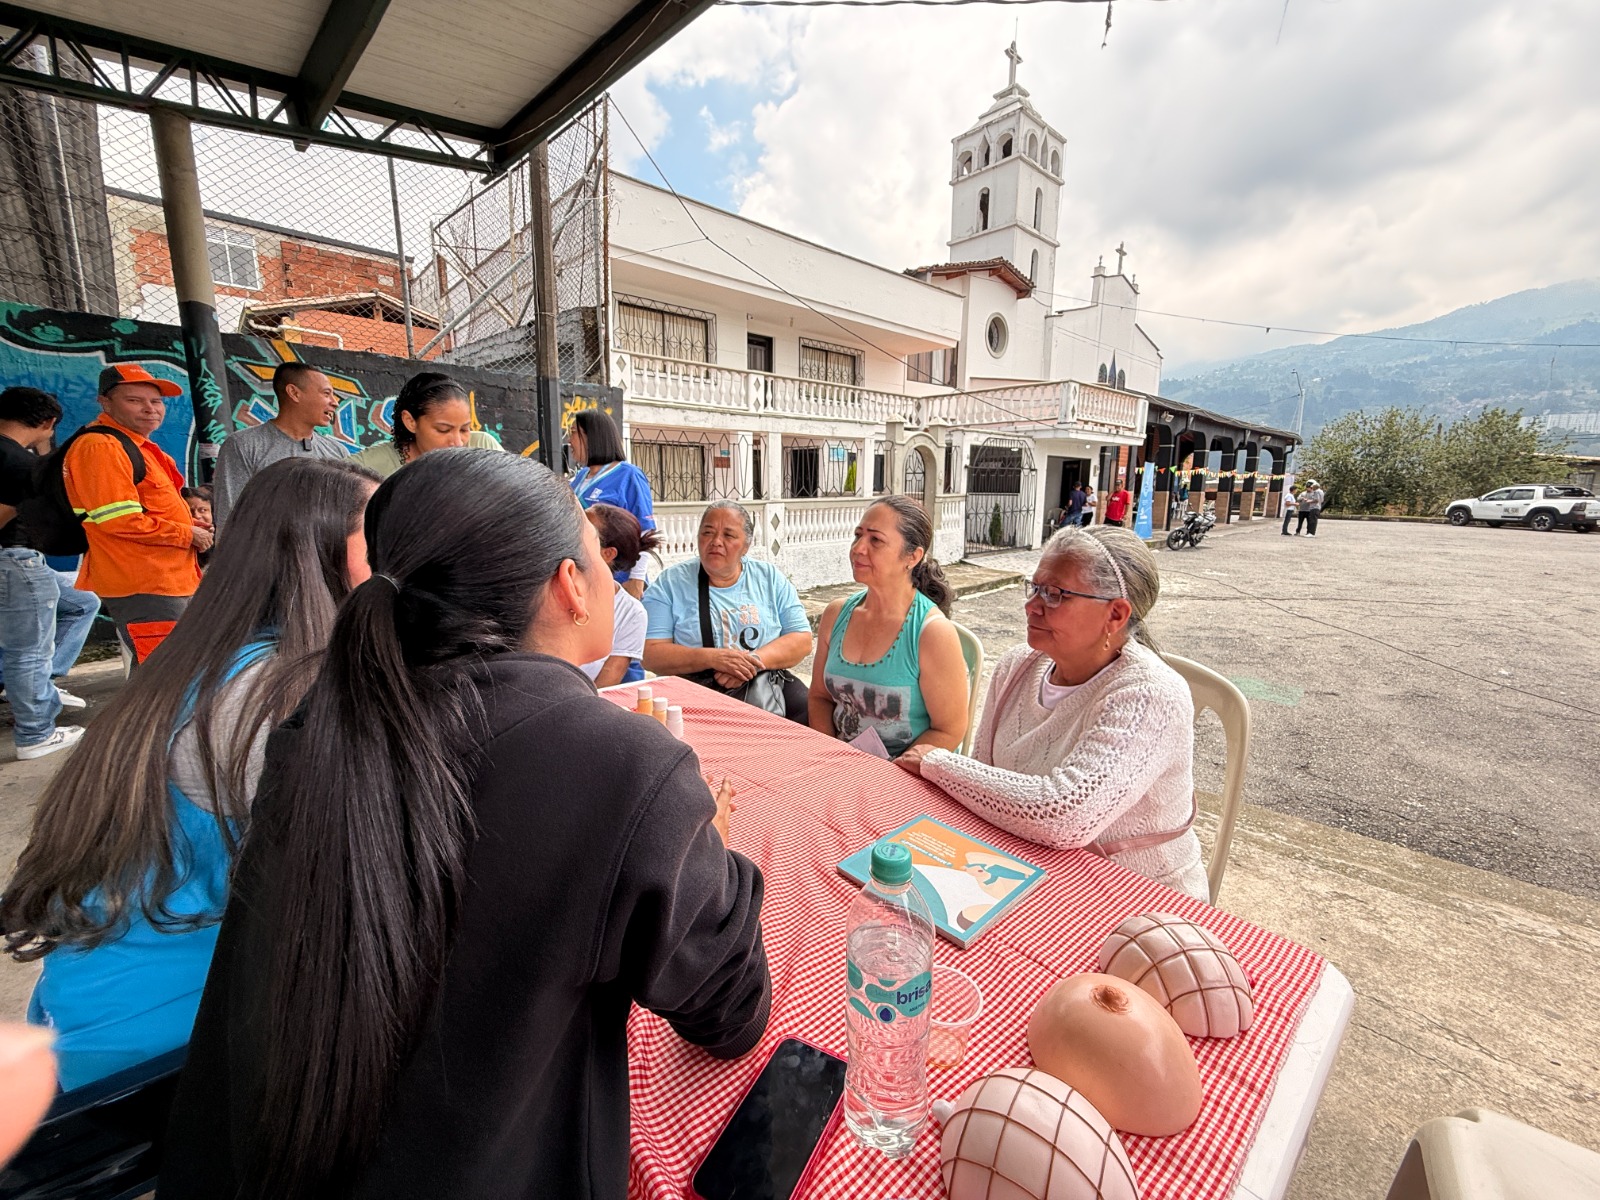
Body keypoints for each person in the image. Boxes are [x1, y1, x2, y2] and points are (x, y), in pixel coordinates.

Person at [158, 450, 769, 1200]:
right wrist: (714, 847)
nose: (616, 573)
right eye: (598, 555)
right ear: (568, 585)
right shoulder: (622, 766)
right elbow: (731, 1012)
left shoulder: (319, 725)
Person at [1, 457, 381, 1090]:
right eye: (384, 536)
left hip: (95, 1005)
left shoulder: (212, 655)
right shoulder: (283, 691)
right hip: (165, 1046)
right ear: (313, 554)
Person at [896, 526, 1207, 900]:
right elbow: (983, 774)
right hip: (1026, 870)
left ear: (1116, 614)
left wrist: (937, 762)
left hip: (1137, 899)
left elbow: (1064, 816)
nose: (1032, 606)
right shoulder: (1016, 667)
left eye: (1056, 594)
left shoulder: (1150, 694)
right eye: (1035, 587)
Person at [62, 365, 208, 668]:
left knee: (172, 672)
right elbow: (117, 521)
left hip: (165, 580)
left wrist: (191, 525)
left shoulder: (135, 446)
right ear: (105, 402)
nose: (150, 409)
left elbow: (147, 509)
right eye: (134, 400)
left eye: (156, 402)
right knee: (163, 676)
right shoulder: (101, 446)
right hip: (143, 582)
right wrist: (187, 534)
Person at [810, 496, 968, 758]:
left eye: (876, 540)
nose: (858, 548)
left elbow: (949, 730)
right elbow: (819, 697)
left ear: (913, 556)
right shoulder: (836, 614)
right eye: (857, 535)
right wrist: (831, 756)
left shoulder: (931, 633)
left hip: (904, 776)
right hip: (839, 764)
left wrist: (889, 774)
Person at [642, 500, 813, 721]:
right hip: (693, 691)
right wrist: (714, 659)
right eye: (708, 532)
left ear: (746, 546)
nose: (716, 542)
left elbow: (802, 639)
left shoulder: (769, 578)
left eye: (729, 535)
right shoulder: (671, 583)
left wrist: (747, 664)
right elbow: (650, 653)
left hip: (762, 680)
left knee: (811, 715)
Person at [0, 387, 86, 758]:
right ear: (48, 423)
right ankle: (36, 734)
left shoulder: (17, 457)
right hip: (15, 558)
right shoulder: (15, 462)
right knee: (28, 650)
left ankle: (39, 690)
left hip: (15, 563)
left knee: (81, 602)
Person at [211, 362, 349, 529]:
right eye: (326, 393)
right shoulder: (243, 445)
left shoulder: (337, 452)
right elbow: (229, 516)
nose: (335, 402)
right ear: (294, 393)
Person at [569, 408, 655, 600]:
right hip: (586, 575)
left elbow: (645, 530)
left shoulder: (629, 475)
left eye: (574, 433)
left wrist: (637, 579)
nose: (569, 440)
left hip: (619, 580)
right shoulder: (580, 477)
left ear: (592, 436)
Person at [351, 372, 504, 479]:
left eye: (465, 429)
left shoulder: (484, 447)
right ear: (410, 421)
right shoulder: (369, 467)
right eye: (443, 430)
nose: (458, 443)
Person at [582, 503, 659, 687]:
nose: (571, 532)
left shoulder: (631, 613)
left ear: (608, 553)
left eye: (584, 530)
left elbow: (603, 688)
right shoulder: (547, 588)